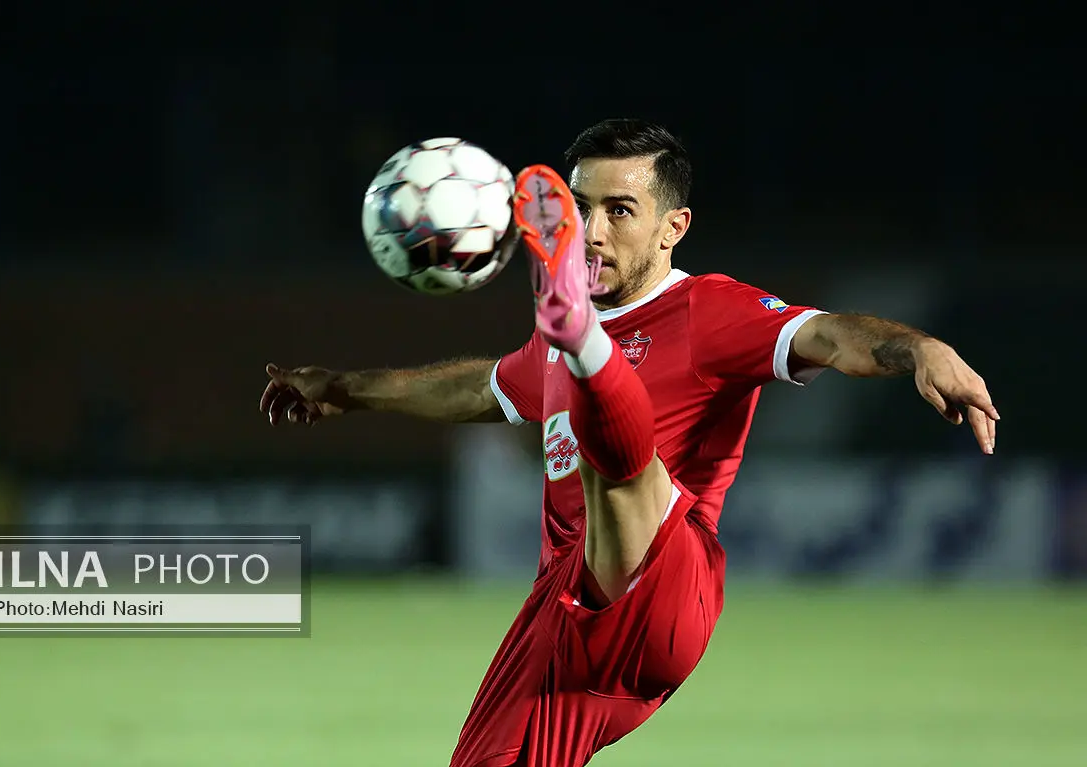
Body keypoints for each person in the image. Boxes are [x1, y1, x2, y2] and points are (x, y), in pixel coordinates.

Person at [259, 119, 999, 767]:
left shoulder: (708, 310)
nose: (594, 231)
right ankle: (585, 343)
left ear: (673, 227)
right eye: (580, 209)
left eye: (619, 210)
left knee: (615, 460)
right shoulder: (545, 353)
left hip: (665, 583)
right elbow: (481, 388)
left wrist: (921, 348)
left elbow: (831, 336)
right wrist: (346, 388)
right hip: (569, 613)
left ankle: (588, 342)